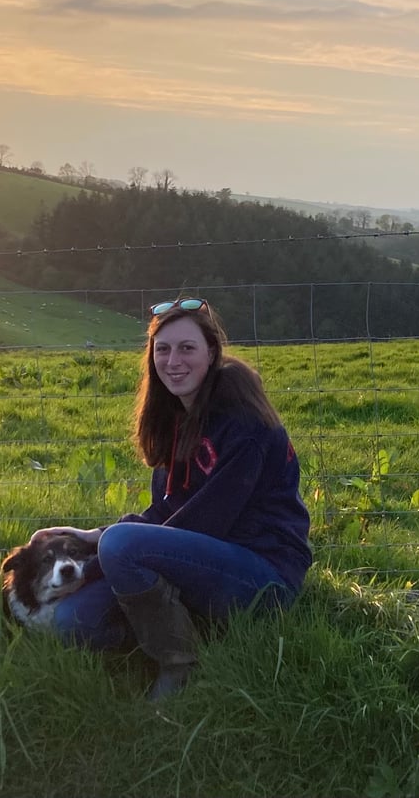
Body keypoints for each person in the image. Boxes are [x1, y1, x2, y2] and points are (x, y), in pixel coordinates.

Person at [31, 298, 312, 700]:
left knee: (122, 545)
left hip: (263, 575)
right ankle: (191, 624)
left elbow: (204, 523)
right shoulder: (177, 419)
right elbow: (166, 510)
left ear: (211, 352)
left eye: (187, 348)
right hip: (204, 564)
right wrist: (96, 535)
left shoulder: (243, 423)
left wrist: (99, 559)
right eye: (162, 349)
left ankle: (179, 662)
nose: (173, 360)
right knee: (72, 623)